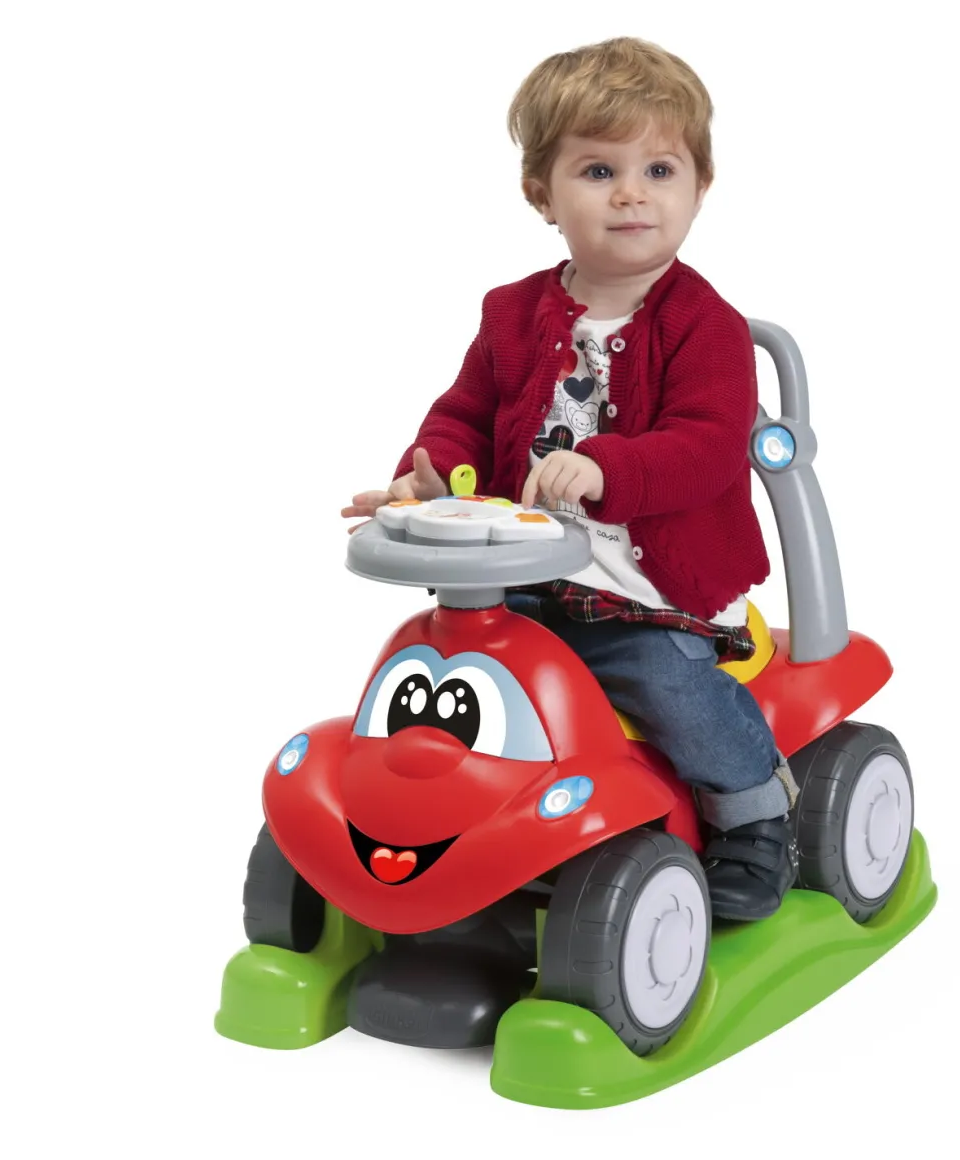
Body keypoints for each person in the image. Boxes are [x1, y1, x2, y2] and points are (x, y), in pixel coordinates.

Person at [341, 37, 799, 920]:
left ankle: (752, 814)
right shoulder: (511, 313)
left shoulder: (706, 326)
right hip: (524, 580)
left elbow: (707, 447)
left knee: (667, 685)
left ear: (700, 186)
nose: (631, 193)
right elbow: (464, 413)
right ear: (541, 195)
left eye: (658, 169)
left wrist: (603, 466)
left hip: (644, 591)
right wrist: (427, 480)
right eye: (598, 171)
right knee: (437, 672)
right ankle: (452, 820)